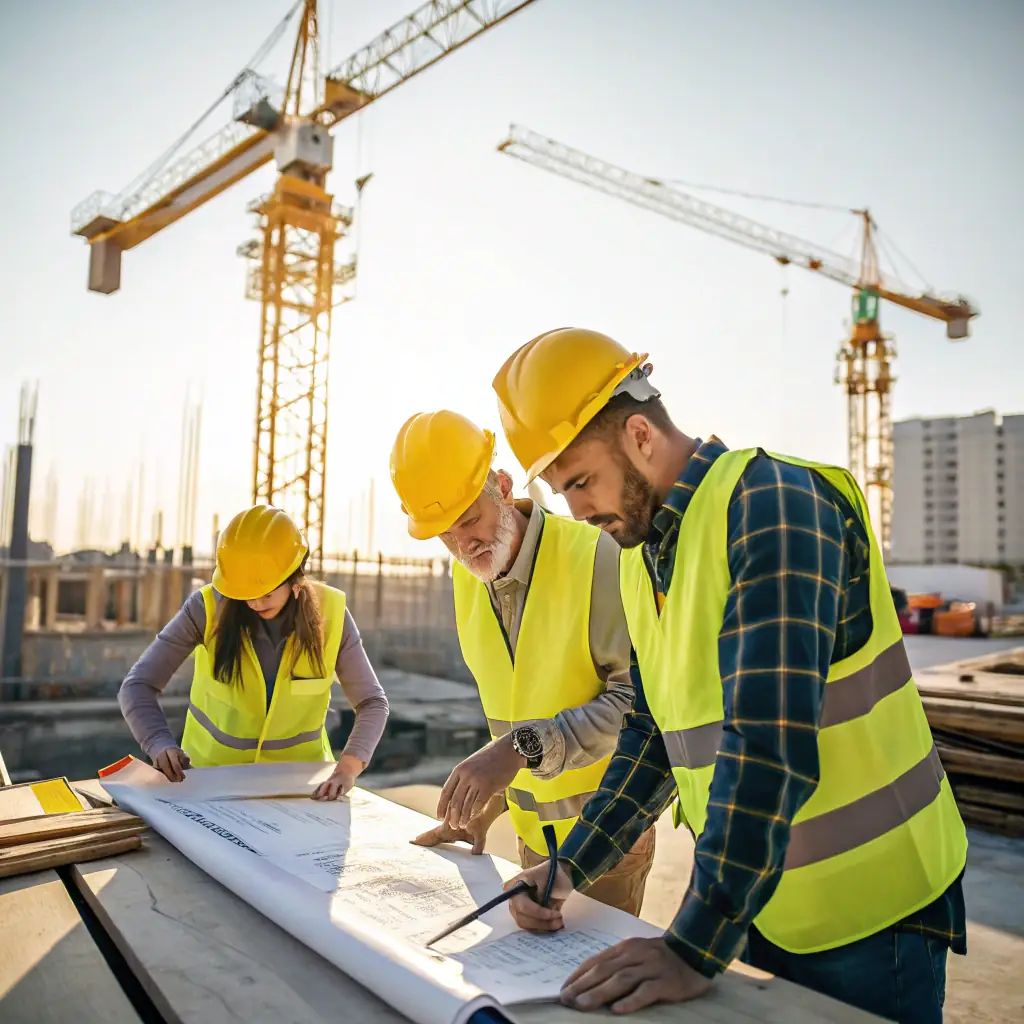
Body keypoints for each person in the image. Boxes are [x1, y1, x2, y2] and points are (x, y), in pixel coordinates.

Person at [491, 328, 968, 1023]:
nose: (577, 512)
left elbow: (767, 739)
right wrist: (572, 867)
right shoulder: (640, 553)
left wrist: (691, 946)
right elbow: (654, 735)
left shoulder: (773, 505)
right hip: (769, 901)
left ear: (640, 435)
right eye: (562, 491)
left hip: (876, 912)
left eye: (581, 481)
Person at [388, 409, 656, 915]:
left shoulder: (597, 555)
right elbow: (518, 703)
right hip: (533, 841)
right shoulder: (469, 579)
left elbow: (638, 706)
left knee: (584, 986)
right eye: (445, 532)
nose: (463, 542)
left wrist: (519, 748)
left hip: (606, 840)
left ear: (504, 486)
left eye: (470, 518)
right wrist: (483, 806)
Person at [118, 505, 389, 800]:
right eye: (244, 593)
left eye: (267, 592)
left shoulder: (332, 615)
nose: (255, 603)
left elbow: (372, 702)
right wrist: (159, 743)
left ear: (295, 580)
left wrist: (347, 768)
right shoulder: (207, 609)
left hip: (300, 791)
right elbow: (137, 687)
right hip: (208, 785)